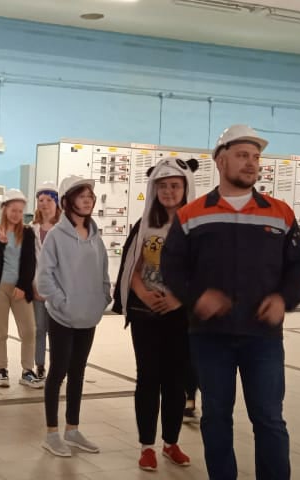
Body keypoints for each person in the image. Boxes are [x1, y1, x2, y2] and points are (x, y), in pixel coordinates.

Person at [161, 124, 300, 480]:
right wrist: (197, 297)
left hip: (263, 337)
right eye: (242, 155)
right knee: (216, 417)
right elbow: (172, 266)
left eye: (256, 157)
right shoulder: (192, 214)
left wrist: (284, 298)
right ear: (220, 161)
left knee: (269, 419)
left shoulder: (279, 213)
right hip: (210, 338)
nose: (251, 163)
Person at [114, 157, 199, 471]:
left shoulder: (196, 226)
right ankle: (147, 446)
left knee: (175, 381)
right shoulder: (145, 225)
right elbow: (132, 268)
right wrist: (144, 294)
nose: (168, 191)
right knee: (148, 378)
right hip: (145, 314)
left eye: (174, 185)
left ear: (185, 187)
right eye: (162, 186)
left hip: (180, 315)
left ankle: (171, 443)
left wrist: (178, 299)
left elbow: (204, 270)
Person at [37, 175, 111, 458]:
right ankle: (51, 433)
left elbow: (103, 271)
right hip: (63, 317)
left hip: (88, 315)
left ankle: (73, 429)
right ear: (68, 202)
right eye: (82, 196)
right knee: (58, 371)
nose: (88, 200)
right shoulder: (56, 236)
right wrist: (62, 303)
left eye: (90, 196)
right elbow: (44, 278)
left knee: (78, 372)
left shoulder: (95, 236)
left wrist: (103, 299)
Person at [0, 188, 41, 388]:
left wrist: (23, 286)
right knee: (0, 331)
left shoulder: (28, 233)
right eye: (13, 210)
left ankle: (27, 371)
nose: (16, 214)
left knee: (29, 330)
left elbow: (30, 262)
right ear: (4, 209)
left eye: (20, 211)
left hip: (20, 289)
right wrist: (0, 244)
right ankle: (2, 369)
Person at [31, 181, 60, 380]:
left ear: (57, 203)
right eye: (41, 200)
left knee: (57, 331)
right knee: (39, 329)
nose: (44, 204)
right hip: (37, 288)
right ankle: (39, 365)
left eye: (49, 200)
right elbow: (29, 261)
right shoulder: (31, 229)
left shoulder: (64, 229)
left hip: (58, 289)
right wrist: (34, 286)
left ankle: (58, 367)